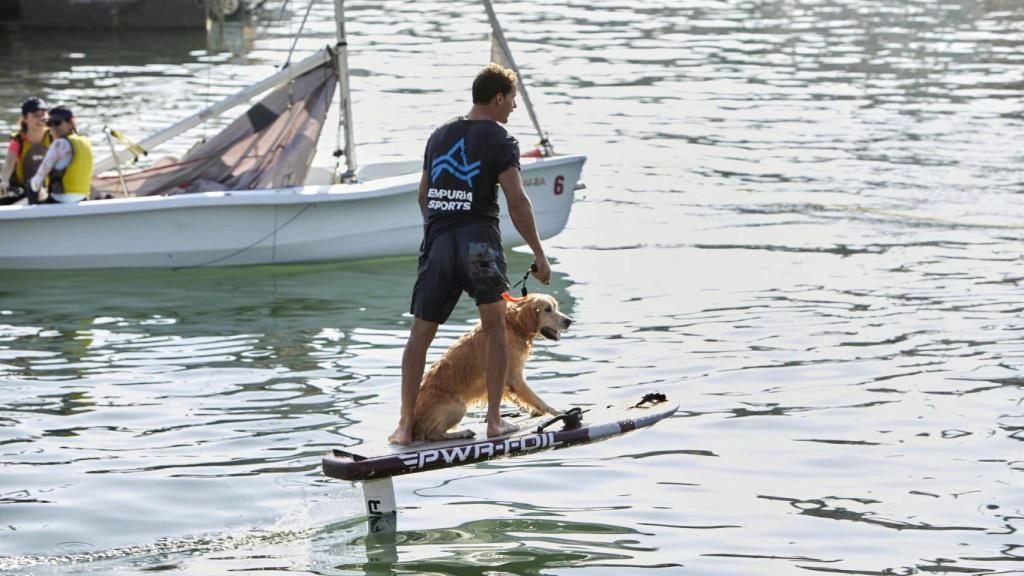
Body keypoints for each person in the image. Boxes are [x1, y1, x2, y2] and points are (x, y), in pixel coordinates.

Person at [388, 63, 551, 445]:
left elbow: (423, 195)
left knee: (420, 335)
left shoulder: (439, 135)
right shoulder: (502, 140)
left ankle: (404, 426)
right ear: (498, 98)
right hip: (478, 245)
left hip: (439, 244)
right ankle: (494, 420)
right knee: (495, 329)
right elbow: (517, 202)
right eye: (512, 100)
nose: (514, 107)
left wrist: (437, 231)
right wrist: (539, 253)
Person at [29, 105, 93, 204]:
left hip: (60, 199)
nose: (52, 127)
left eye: (57, 122)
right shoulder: (86, 141)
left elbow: (37, 182)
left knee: (29, 184)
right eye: (49, 123)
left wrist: (34, 188)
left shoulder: (59, 143)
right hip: (82, 197)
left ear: (70, 122)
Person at [0, 97, 52, 204]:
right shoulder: (18, 140)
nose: (41, 118)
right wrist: (4, 180)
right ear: (25, 118)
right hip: (21, 189)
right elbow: (8, 164)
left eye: (43, 114)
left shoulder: (53, 136)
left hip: (47, 188)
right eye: (36, 115)